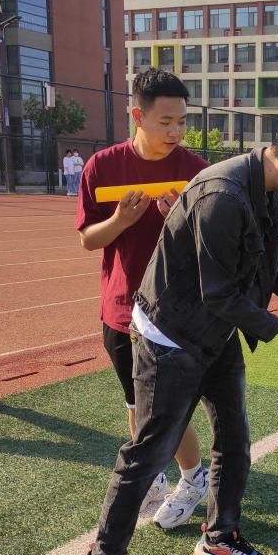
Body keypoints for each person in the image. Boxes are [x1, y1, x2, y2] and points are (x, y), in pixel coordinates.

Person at [80, 108, 278, 555]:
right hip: (171, 334)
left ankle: (220, 537)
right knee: (150, 449)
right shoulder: (222, 195)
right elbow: (220, 293)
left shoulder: (269, 188)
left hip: (214, 329)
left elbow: (265, 264)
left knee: (233, 434)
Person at [75, 68, 210, 531]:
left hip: (174, 312)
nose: (176, 132)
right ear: (138, 116)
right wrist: (120, 221)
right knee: (136, 404)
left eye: (182, 122)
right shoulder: (102, 167)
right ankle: (154, 476)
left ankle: (193, 478)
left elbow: (211, 243)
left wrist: (180, 221)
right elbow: (88, 239)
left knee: (167, 409)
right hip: (120, 310)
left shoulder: (196, 172)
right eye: (165, 121)